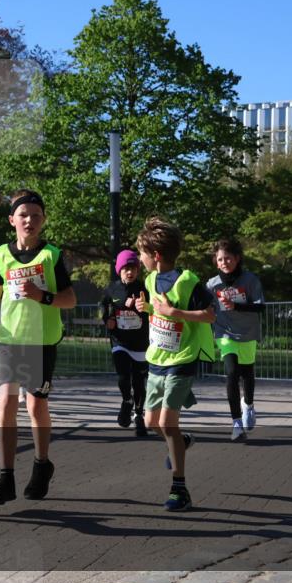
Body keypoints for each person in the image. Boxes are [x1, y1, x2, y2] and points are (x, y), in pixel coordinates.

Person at [0, 189, 77, 504]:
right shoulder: (1, 255)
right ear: (12, 220)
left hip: (41, 340)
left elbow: (70, 299)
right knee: (6, 403)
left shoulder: (51, 256)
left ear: (43, 220)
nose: (29, 220)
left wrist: (42, 296)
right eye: (23, 215)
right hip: (10, 337)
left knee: (35, 406)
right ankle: (5, 477)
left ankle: (41, 464)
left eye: (35, 215)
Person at [134, 217, 216, 512]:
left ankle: (179, 489)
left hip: (182, 360)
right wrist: (147, 309)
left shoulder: (188, 282)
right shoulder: (149, 280)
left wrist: (175, 312)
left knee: (167, 424)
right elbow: (158, 313)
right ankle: (181, 441)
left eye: (142, 253)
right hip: (157, 358)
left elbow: (210, 315)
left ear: (155, 255)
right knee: (150, 423)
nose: (139, 259)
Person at [205, 239, 265, 441]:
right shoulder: (212, 284)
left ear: (237, 258)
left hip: (247, 332)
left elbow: (260, 306)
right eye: (220, 259)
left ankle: (248, 404)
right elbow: (204, 305)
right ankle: (236, 423)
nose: (224, 262)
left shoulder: (250, 280)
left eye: (228, 258)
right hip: (224, 333)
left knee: (247, 373)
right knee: (231, 373)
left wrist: (236, 306)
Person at [99, 249, 149, 437]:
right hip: (119, 340)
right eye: (126, 269)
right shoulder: (112, 288)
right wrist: (107, 319)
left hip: (140, 342)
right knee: (122, 376)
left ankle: (139, 415)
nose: (130, 272)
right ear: (119, 270)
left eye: (133, 268)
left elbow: (152, 310)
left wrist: (144, 308)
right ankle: (127, 401)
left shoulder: (144, 289)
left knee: (139, 382)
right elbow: (103, 305)